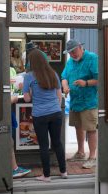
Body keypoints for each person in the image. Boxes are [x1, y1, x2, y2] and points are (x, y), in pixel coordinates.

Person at [23, 49, 67, 182]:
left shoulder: (29, 76)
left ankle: (46, 176)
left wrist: (28, 90)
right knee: (57, 143)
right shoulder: (53, 73)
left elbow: (26, 99)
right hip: (55, 113)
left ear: (32, 62)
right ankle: (63, 172)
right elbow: (59, 96)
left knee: (44, 145)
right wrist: (55, 108)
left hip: (40, 115)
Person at [61, 39, 98, 169]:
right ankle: (81, 152)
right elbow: (64, 77)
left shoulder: (92, 58)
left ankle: (93, 156)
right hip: (75, 101)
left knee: (91, 129)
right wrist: (65, 87)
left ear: (80, 47)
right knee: (78, 126)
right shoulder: (70, 61)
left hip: (89, 101)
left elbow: (100, 78)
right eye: (70, 53)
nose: (72, 55)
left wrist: (86, 83)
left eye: (74, 52)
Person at [10, 67, 31, 178]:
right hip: (4, 114)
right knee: (9, 141)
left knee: (10, 141)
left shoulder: (11, 70)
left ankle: (14, 168)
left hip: (7, 113)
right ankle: (14, 169)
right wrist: (13, 99)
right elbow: (4, 99)